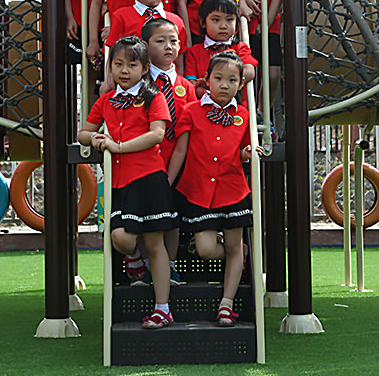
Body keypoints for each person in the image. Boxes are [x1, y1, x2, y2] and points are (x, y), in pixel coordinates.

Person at [77, 36, 178, 329]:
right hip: (120, 182)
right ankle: (134, 260)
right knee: (121, 238)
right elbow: (83, 132)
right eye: (118, 64)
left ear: (144, 69)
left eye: (132, 65)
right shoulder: (105, 100)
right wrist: (95, 137)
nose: (124, 70)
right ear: (110, 67)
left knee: (154, 243)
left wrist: (118, 147)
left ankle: (162, 309)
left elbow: (157, 134)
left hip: (149, 178)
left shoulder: (154, 97)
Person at [167, 51, 253, 327]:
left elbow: (243, 150)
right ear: (206, 79)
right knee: (205, 249)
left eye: (232, 80)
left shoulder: (244, 115)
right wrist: (167, 183)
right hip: (199, 191)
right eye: (218, 78)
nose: (225, 85)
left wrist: (248, 153)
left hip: (233, 190)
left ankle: (226, 304)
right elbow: (180, 150)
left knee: (232, 246)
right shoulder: (191, 111)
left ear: (241, 84)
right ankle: (240, 253)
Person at [142, 17, 197, 285]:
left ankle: (170, 266)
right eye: (160, 41)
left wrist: (171, 176)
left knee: (172, 217)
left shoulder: (187, 87)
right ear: (145, 45)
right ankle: (144, 266)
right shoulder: (140, 85)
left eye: (173, 41)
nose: (168, 46)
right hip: (145, 164)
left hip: (178, 165)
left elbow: (190, 131)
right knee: (147, 218)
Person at [102, 0, 188, 92]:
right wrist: (109, 82)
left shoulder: (176, 21)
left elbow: (179, 59)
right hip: (132, 87)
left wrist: (179, 86)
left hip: (166, 87)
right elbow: (114, 54)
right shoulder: (121, 16)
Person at [184, 0, 257, 99]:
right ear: (203, 22)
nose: (223, 26)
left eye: (229, 20)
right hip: (205, 104)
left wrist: (219, 79)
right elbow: (191, 83)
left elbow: (250, 72)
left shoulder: (240, 48)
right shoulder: (194, 52)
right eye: (216, 20)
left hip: (235, 106)